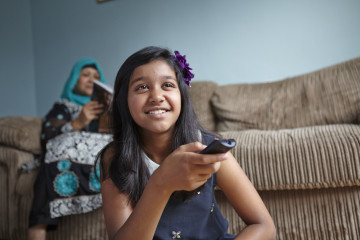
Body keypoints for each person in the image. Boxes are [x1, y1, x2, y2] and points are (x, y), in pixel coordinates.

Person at [99, 46, 276, 240]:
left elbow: (264, 226)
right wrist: (160, 184)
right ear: (123, 101)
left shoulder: (208, 148)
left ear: (182, 96)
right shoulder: (115, 158)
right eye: (142, 87)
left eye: (167, 85)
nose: (157, 97)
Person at [28, 58, 112, 240]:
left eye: (97, 77)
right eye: (86, 75)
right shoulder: (62, 106)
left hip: (100, 157)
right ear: (74, 79)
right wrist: (78, 122)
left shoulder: (107, 109)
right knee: (48, 167)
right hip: (67, 159)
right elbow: (48, 138)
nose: (91, 80)